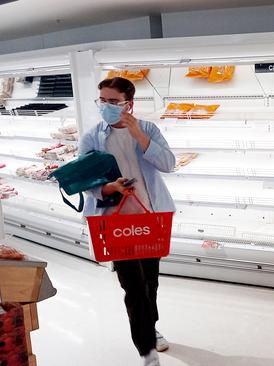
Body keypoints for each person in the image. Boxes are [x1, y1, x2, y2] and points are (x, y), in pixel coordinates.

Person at [80, 77, 176, 366]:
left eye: (113, 102)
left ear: (129, 104)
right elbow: (86, 181)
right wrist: (110, 188)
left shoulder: (147, 130)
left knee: (150, 283)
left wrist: (140, 136)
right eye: (102, 101)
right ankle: (146, 351)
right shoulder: (92, 137)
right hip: (113, 222)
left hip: (150, 217)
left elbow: (168, 164)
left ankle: (152, 327)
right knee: (132, 287)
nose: (106, 107)